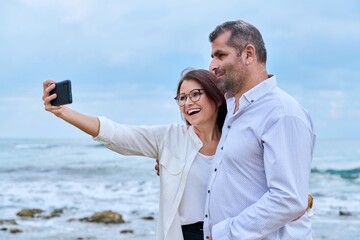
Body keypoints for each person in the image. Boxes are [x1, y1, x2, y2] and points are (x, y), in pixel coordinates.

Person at [42, 69, 227, 240]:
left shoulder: (235, 142)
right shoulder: (169, 138)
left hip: (230, 233)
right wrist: (62, 112)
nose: (188, 103)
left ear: (217, 98)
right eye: (182, 97)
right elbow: (116, 134)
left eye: (195, 94)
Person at [203, 20, 316, 239]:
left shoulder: (281, 113)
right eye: (212, 57)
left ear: (248, 54)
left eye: (220, 55)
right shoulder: (234, 109)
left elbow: (289, 198)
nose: (212, 66)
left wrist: (225, 233)